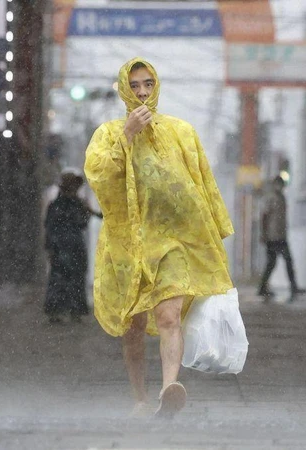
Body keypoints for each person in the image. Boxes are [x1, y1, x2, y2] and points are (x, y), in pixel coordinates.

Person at [84, 57, 234, 419]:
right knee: (133, 326)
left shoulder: (182, 132)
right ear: (124, 89)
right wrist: (128, 135)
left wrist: (213, 228)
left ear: (157, 86)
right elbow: (99, 174)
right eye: (134, 85)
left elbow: (202, 182)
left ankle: (170, 387)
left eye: (148, 84)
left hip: (172, 243)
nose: (142, 92)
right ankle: (140, 397)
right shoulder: (108, 134)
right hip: (127, 244)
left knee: (169, 315)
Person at [44, 169, 101, 323]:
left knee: (71, 278)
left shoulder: (71, 204)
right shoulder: (61, 205)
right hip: (64, 247)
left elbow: (81, 223)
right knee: (61, 279)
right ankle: (61, 311)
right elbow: (51, 226)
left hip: (71, 247)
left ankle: (68, 310)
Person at [257, 176, 303, 298]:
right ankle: (291, 287)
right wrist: (264, 233)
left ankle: (264, 287)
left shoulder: (281, 197)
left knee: (275, 262)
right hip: (273, 237)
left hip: (280, 235)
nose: (280, 187)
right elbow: (264, 216)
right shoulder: (271, 197)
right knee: (280, 261)